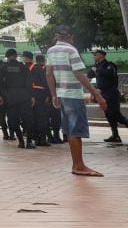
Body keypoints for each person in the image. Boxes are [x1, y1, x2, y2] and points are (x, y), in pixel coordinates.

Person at [46, 25, 108, 176]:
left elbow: (49, 73)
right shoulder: (71, 50)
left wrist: (54, 94)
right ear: (70, 36)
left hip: (62, 95)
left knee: (70, 131)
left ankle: (76, 165)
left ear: (56, 36)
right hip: (73, 95)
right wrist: (96, 94)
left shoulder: (50, 51)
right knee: (75, 131)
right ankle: (79, 166)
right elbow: (79, 74)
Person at [0, 48, 34, 149]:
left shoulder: (3, 68)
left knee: (13, 120)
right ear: (16, 56)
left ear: (7, 57)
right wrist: (32, 96)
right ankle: (29, 142)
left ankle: (21, 142)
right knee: (28, 119)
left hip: (11, 97)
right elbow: (29, 82)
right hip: (24, 96)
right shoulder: (23, 67)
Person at [88, 49, 128, 143]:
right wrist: (94, 68)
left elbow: (109, 73)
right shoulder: (97, 66)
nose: (93, 57)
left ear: (101, 55)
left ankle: (116, 134)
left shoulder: (109, 65)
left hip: (111, 93)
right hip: (103, 94)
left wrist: (97, 70)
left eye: (95, 55)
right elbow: (90, 75)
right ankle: (115, 135)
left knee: (116, 115)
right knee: (109, 115)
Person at [29, 53, 52, 146]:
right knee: (42, 119)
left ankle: (36, 138)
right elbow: (46, 83)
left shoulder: (30, 68)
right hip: (41, 96)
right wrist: (48, 95)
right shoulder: (41, 69)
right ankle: (42, 139)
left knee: (34, 118)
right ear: (44, 60)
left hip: (32, 96)